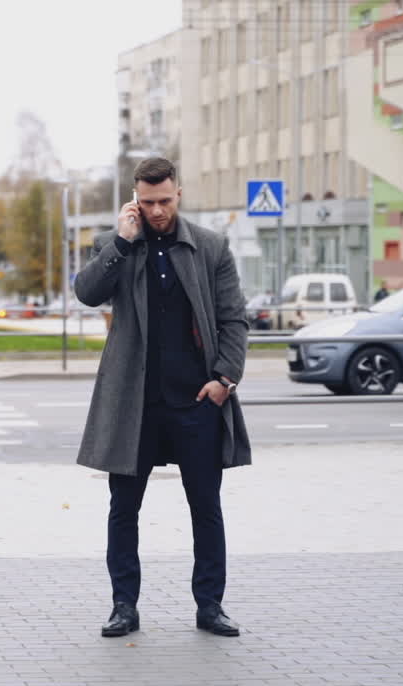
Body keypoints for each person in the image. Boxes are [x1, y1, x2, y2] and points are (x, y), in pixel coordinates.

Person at [74, 157, 251, 639]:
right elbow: (87, 293)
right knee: (123, 509)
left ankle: (210, 606)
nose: (156, 211)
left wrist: (224, 379)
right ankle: (123, 606)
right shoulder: (118, 245)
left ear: (179, 195)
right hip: (135, 403)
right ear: (134, 199)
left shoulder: (210, 247)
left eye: (164, 201)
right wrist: (123, 242)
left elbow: (235, 319)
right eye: (147, 202)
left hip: (197, 400)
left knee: (206, 507)